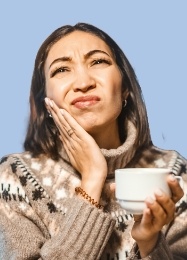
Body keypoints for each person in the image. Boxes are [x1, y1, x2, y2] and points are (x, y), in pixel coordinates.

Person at [0, 22, 186, 260]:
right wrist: (93, 179)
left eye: (98, 62)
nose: (83, 83)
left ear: (125, 89)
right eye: (61, 70)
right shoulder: (14, 177)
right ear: (45, 100)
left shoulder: (174, 173)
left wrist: (151, 242)